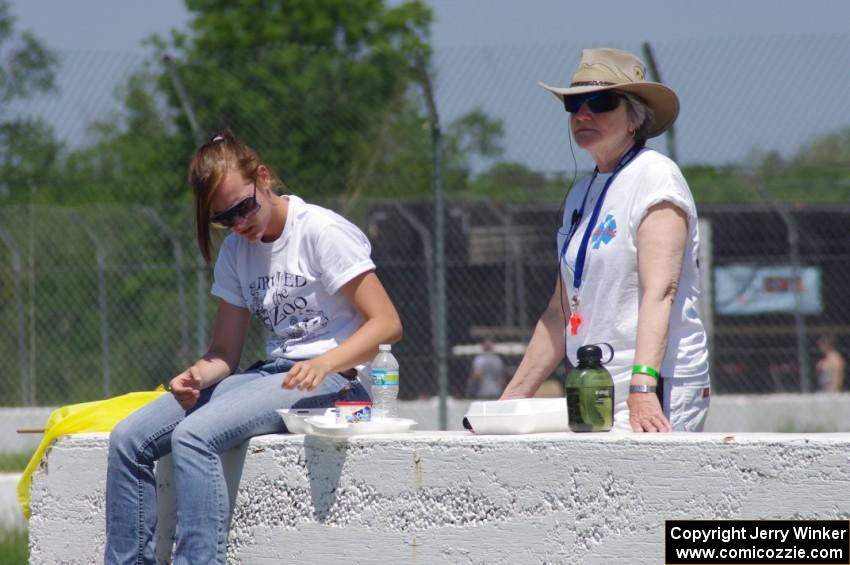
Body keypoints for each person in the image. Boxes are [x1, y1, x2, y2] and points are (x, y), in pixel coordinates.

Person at [104, 130, 402, 564]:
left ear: (263, 178)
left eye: (243, 207)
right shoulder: (235, 253)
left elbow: (388, 323)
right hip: (273, 375)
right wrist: (196, 376)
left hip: (339, 380)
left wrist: (325, 362)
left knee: (193, 437)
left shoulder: (320, 231)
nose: (239, 224)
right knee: (128, 438)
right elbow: (224, 352)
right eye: (224, 219)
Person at [500, 48, 710, 432]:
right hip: (594, 385)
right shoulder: (580, 193)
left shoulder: (656, 178)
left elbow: (661, 290)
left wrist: (643, 386)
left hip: (653, 384)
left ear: (634, 119)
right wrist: (513, 398)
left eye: (601, 102)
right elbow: (560, 310)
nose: (583, 114)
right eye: (575, 103)